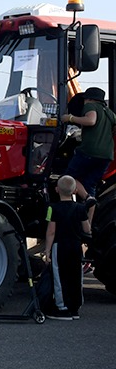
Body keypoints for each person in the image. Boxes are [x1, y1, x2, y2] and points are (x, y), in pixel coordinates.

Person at [62, 87, 116, 221]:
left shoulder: (91, 106)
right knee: (90, 184)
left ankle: (86, 199)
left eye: (85, 99)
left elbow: (91, 120)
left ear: (90, 99)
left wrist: (70, 118)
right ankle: (88, 225)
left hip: (89, 151)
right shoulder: (110, 113)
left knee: (68, 179)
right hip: (106, 156)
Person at [43, 175, 91, 320]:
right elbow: (87, 229)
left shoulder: (52, 208)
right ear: (75, 191)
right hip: (76, 246)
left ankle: (62, 308)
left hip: (60, 246)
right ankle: (75, 307)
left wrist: (47, 250)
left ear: (57, 190)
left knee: (60, 277)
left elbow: (51, 231)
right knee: (76, 275)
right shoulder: (81, 208)